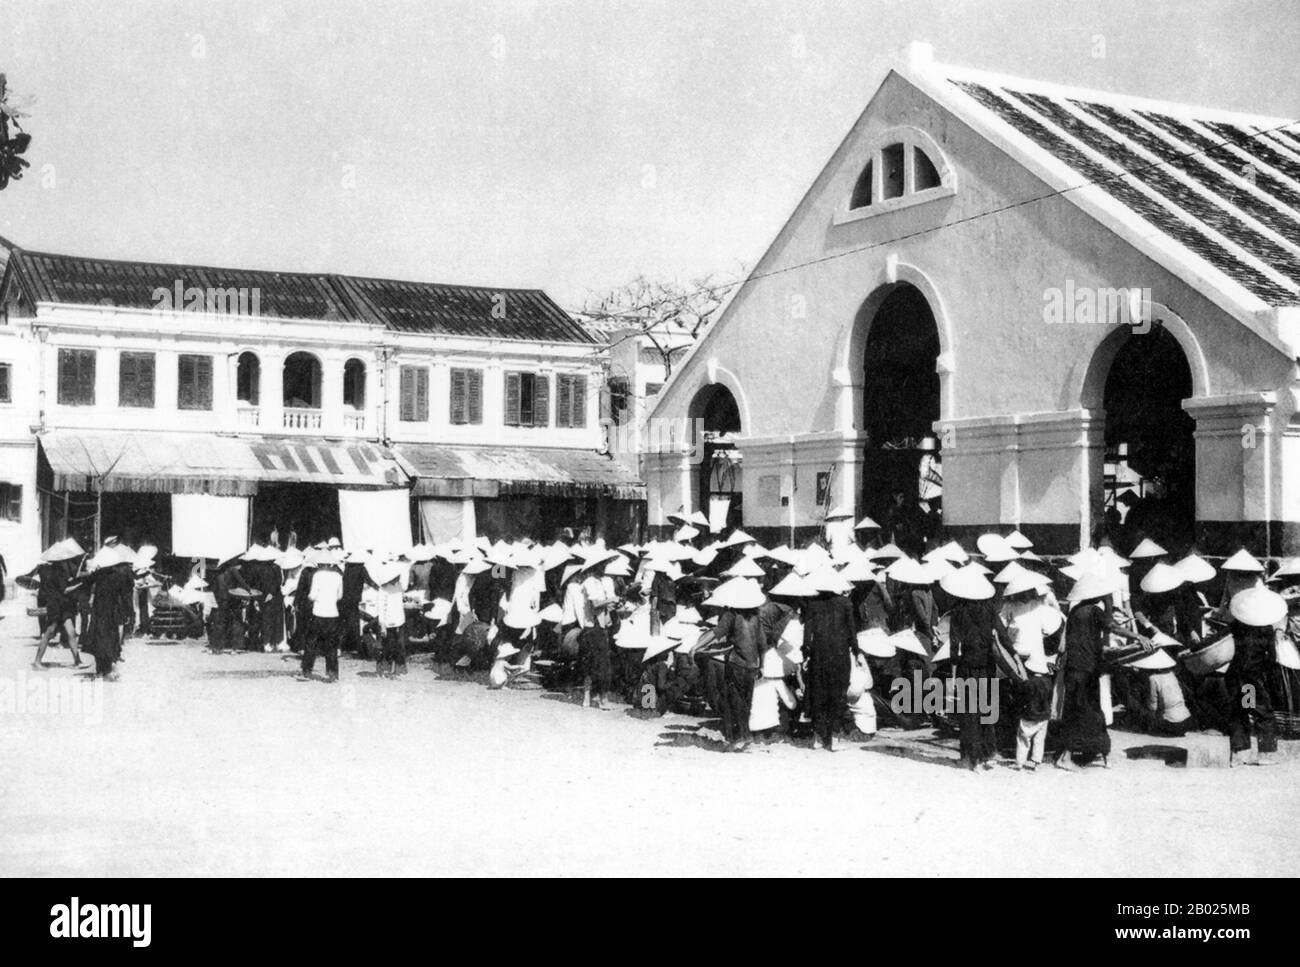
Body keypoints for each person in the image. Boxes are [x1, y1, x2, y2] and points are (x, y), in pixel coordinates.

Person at [1056, 569, 1151, 770]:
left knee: (1079, 711)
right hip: (1085, 670)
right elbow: (1113, 627)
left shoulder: (1076, 611)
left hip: (1076, 668)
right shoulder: (1094, 611)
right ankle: (1066, 757)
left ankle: (1084, 753)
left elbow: (1086, 640)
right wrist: (1138, 637)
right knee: (1088, 712)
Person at [942, 564, 1008, 771]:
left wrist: (953, 670)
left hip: (967, 665)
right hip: (987, 665)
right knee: (985, 710)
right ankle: (988, 754)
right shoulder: (990, 610)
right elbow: (1003, 635)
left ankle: (971, 758)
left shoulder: (958, 611)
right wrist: (1013, 656)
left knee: (968, 712)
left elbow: (954, 644)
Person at [1225, 585, 1284, 766]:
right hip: (1250, 679)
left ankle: (1239, 753)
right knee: (1262, 713)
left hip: (1236, 675)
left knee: (1240, 711)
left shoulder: (1235, 626)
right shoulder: (1265, 629)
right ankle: (1266, 753)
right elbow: (1271, 658)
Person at [802, 567, 855, 751]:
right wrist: (857, 652)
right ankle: (834, 736)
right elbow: (852, 632)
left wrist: (806, 654)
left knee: (818, 694)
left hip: (819, 654)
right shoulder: (845, 603)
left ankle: (817, 736)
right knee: (838, 694)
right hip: (840, 654)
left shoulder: (812, 605)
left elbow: (807, 633)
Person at [712, 577, 765, 752]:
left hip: (736, 662)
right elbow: (762, 643)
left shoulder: (731, 615)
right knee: (746, 701)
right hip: (752, 664)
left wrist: (697, 646)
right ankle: (744, 736)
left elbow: (716, 633)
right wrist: (762, 665)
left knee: (733, 701)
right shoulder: (756, 616)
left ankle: (739, 736)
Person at [81, 546, 135, 680]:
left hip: (98, 610)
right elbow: (125, 596)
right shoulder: (118, 576)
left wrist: (86, 601)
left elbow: (86, 583)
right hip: (112, 611)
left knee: (98, 638)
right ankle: (107, 671)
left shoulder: (98, 574)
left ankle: (100, 670)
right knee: (110, 640)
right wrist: (129, 613)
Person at [31, 540, 85, 669]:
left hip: (58, 604)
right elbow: (64, 589)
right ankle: (37, 661)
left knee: (71, 632)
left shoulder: (44, 569)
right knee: (50, 632)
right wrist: (81, 584)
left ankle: (77, 660)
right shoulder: (59, 572)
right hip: (56, 605)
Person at [300, 549, 344, 682]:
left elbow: (313, 595)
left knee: (311, 642)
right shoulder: (338, 576)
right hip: (333, 612)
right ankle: (332, 673)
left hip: (318, 612)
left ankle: (307, 670)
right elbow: (339, 596)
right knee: (331, 644)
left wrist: (309, 597)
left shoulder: (317, 576)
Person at [1014, 653, 1054, 770]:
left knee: (1023, 739)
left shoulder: (1027, 683)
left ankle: (1020, 762)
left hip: (1029, 714)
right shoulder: (1048, 682)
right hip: (1044, 715)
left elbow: (1021, 698)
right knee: (1039, 740)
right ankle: (1036, 762)